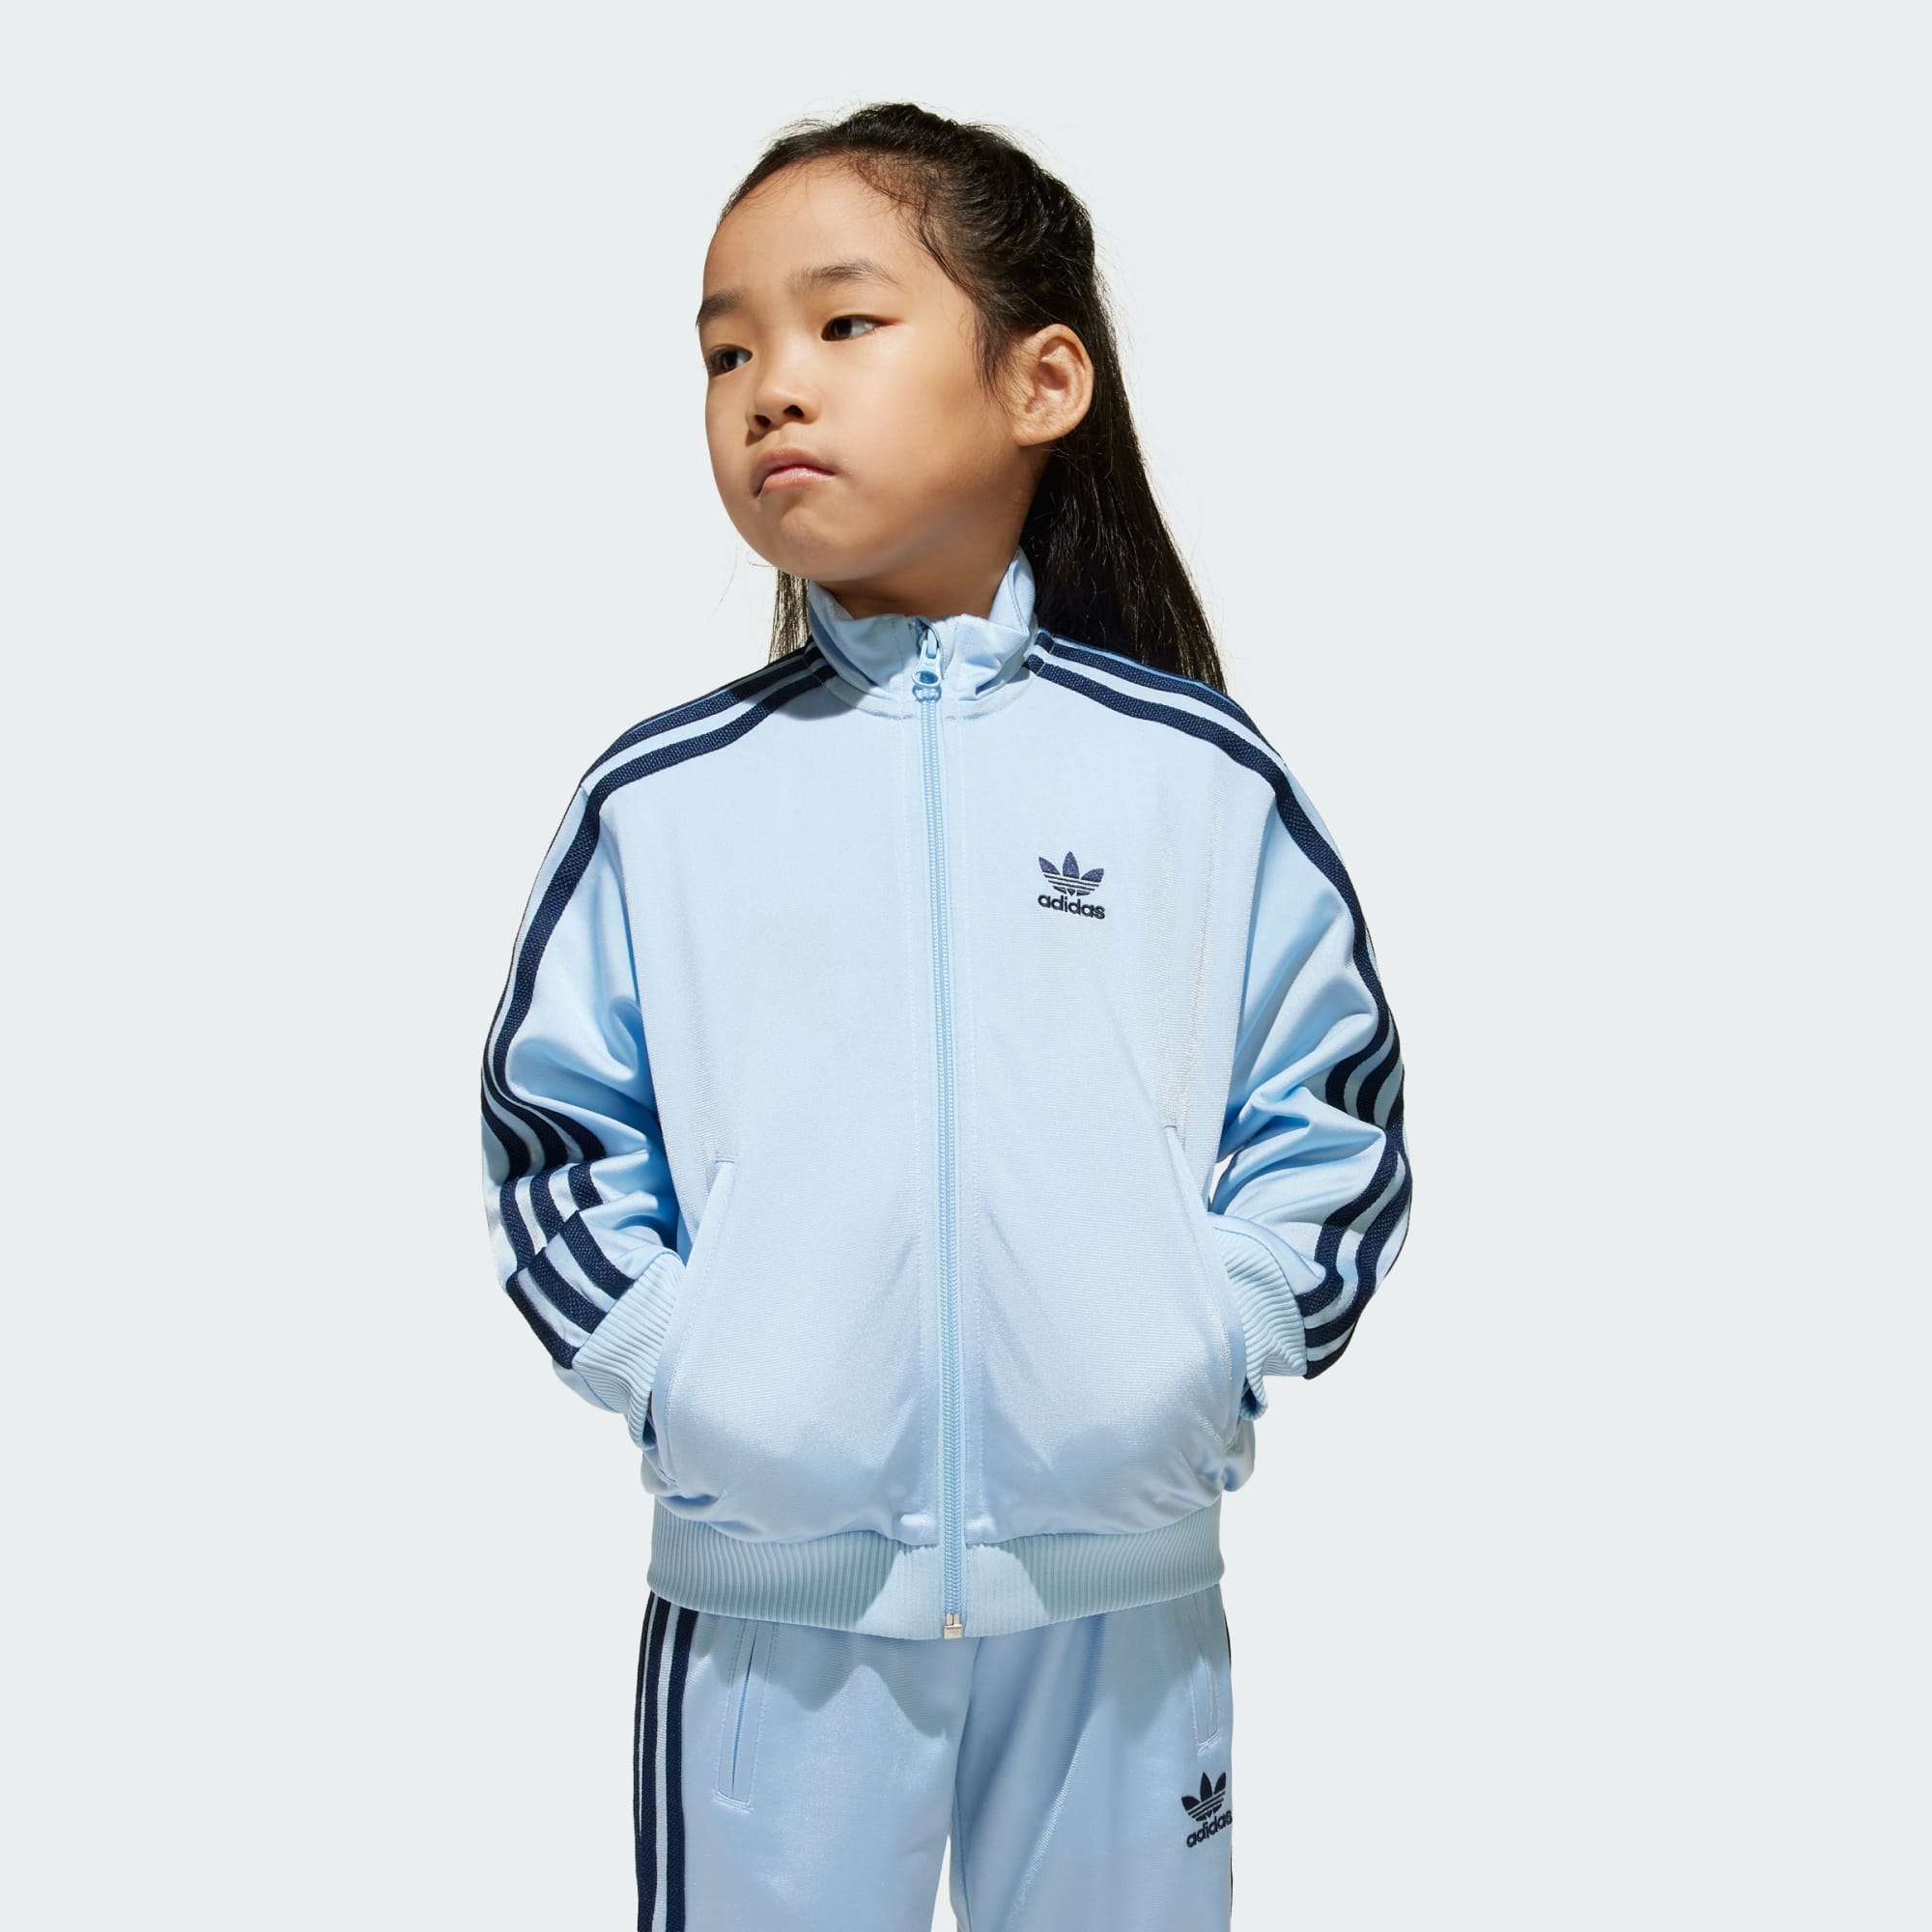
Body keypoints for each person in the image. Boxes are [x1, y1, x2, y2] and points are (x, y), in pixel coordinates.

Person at [478, 101, 1412, 1932]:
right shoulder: (665, 803)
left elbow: (1333, 1109)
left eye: (844, 322)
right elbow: (556, 1140)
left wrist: (1204, 1343)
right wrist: (691, 1376)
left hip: (1122, 1606)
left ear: (1041, 381)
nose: (771, 387)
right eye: (726, 352)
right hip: (776, 1617)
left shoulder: (1193, 779)